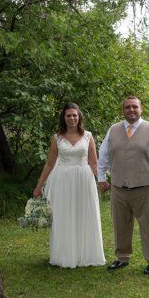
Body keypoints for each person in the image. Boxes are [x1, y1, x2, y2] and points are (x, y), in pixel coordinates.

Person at [98, 96, 149, 274]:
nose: (131, 110)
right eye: (127, 107)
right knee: (120, 225)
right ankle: (122, 257)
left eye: (134, 107)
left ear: (141, 109)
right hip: (119, 188)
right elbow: (103, 155)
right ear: (123, 110)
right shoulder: (113, 130)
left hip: (145, 187)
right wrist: (101, 177)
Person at [33, 103, 105, 268]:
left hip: (84, 180)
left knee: (85, 214)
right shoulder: (57, 138)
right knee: (64, 216)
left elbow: (94, 163)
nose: (72, 118)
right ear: (63, 118)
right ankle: (64, 255)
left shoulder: (88, 136)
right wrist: (39, 186)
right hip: (62, 180)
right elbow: (50, 164)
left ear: (79, 117)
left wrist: (102, 181)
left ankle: (85, 254)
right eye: (68, 116)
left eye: (74, 115)